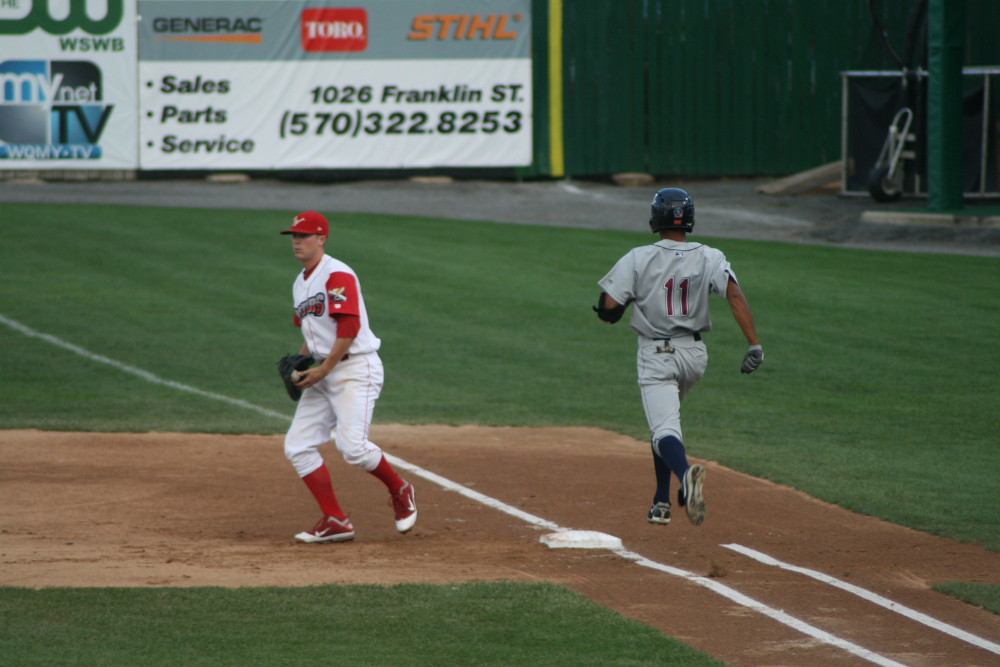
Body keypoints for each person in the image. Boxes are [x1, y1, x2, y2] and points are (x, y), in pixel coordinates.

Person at [593, 188, 763, 527]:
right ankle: (661, 501)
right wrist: (754, 345)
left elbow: (608, 309)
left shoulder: (638, 257)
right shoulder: (711, 256)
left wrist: (623, 304)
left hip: (657, 353)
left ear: (655, 218)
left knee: (663, 429)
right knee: (668, 425)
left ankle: (685, 475)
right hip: (695, 355)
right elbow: (734, 295)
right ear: (689, 219)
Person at [279, 210, 416, 543]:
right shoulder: (301, 281)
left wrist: (324, 368)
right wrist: (304, 364)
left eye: (304, 236)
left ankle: (401, 490)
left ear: (322, 238)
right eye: (294, 236)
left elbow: (349, 327)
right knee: (298, 446)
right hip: (323, 370)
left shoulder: (337, 274)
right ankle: (336, 520)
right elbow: (313, 333)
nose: (297, 242)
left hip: (355, 368)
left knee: (352, 447)